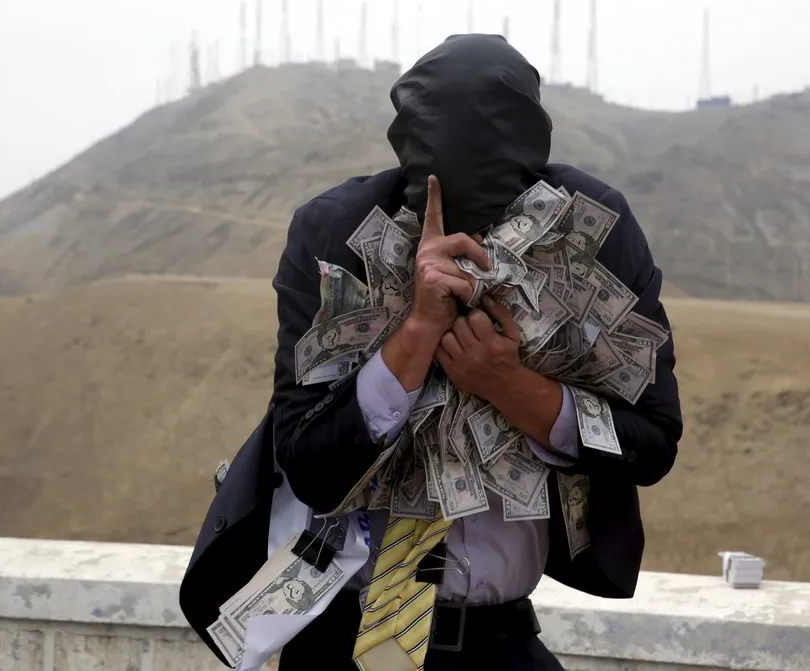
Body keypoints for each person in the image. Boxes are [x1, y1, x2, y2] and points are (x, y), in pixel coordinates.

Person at [179, 34, 682, 671]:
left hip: (500, 647)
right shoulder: (334, 233)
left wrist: (507, 384)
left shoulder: (591, 230)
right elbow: (309, 464)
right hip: (342, 643)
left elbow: (653, 443)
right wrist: (417, 331)